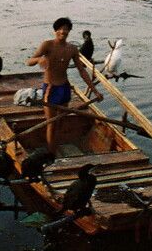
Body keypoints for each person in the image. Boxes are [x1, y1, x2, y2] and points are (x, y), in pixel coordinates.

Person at [26, 17, 98, 155]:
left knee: (60, 122)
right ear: (55, 31)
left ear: (69, 31)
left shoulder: (72, 49)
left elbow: (82, 71)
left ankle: (56, 147)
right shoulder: (47, 45)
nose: (63, 31)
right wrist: (39, 59)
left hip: (64, 89)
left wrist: (94, 90)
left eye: (66, 29)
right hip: (50, 89)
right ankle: (51, 155)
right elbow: (28, 61)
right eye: (60, 28)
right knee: (51, 124)